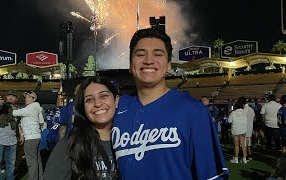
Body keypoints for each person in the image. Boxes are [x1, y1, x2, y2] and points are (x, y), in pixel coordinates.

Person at [112, 28, 228, 179]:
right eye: (140, 54)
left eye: (158, 54)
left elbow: (212, 176)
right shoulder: (116, 108)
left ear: (168, 65)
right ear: (130, 64)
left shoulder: (194, 111)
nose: (148, 60)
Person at [45, 76, 119, 180]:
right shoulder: (71, 144)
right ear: (83, 108)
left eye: (103, 96)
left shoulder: (132, 139)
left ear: (116, 101)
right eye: (89, 99)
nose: (97, 104)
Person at [13, 91, 44, 180]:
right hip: (36, 136)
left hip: (31, 137)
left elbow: (14, 113)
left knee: (31, 161)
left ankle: (33, 178)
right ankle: (40, 177)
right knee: (37, 159)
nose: (25, 98)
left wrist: (12, 108)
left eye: (27, 97)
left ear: (33, 99)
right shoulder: (38, 108)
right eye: (25, 97)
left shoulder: (30, 108)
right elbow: (41, 122)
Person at [0, 91, 19, 180]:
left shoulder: (18, 110)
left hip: (12, 140)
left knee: (11, 164)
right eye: (9, 95)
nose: (10, 97)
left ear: (16, 98)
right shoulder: (1, 105)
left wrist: (20, 134)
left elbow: (19, 123)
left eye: (13, 96)